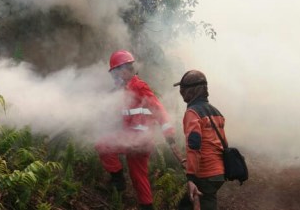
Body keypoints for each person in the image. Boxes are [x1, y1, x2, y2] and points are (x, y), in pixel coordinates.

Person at [95, 50, 181, 210]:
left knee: (102, 145)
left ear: (124, 69)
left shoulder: (139, 86)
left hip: (137, 140)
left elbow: (159, 109)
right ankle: (146, 206)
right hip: (139, 141)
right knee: (139, 178)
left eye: (115, 72)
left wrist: (169, 134)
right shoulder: (126, 89)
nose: (114, 77)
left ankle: (118, 181)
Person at [174, 70, 226, 210]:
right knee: (187, 205)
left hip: (205, 174)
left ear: (191, 90)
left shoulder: (193, 113)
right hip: (219, 173)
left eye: (183, 89)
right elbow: (222, 143)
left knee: (201, 203)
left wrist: (191, 178)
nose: (182, 92)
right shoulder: (216, 112)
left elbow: (194, 147)